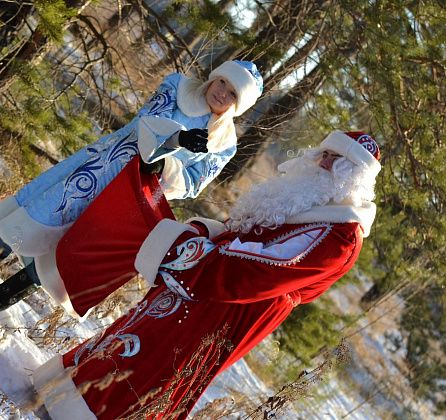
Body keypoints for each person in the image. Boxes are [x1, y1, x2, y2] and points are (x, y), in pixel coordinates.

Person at [28, 131, 382, 419]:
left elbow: (259, 272)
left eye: (340, 163)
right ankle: (63, 398)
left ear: (354, 179)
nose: (326, 163)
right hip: (204, 275)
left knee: (162, 363)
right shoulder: (304, 196)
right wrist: (206, 235)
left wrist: (187, 249)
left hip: (233, 306)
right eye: (327, 153)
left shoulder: (341, 236)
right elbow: (245, 233)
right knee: (141, 334)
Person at [0, 60, 264, 316]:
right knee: (38, 216)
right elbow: (147, 119)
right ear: (215, 77)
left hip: (128, 197)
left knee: (68, 248)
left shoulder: (225, 145)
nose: (223, 93)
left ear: (239, 105)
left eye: (234, 94)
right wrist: (178, 140)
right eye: (223, 82)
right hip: (101, 167)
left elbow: (195, 182)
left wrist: (167, 168)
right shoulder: (178, 87)